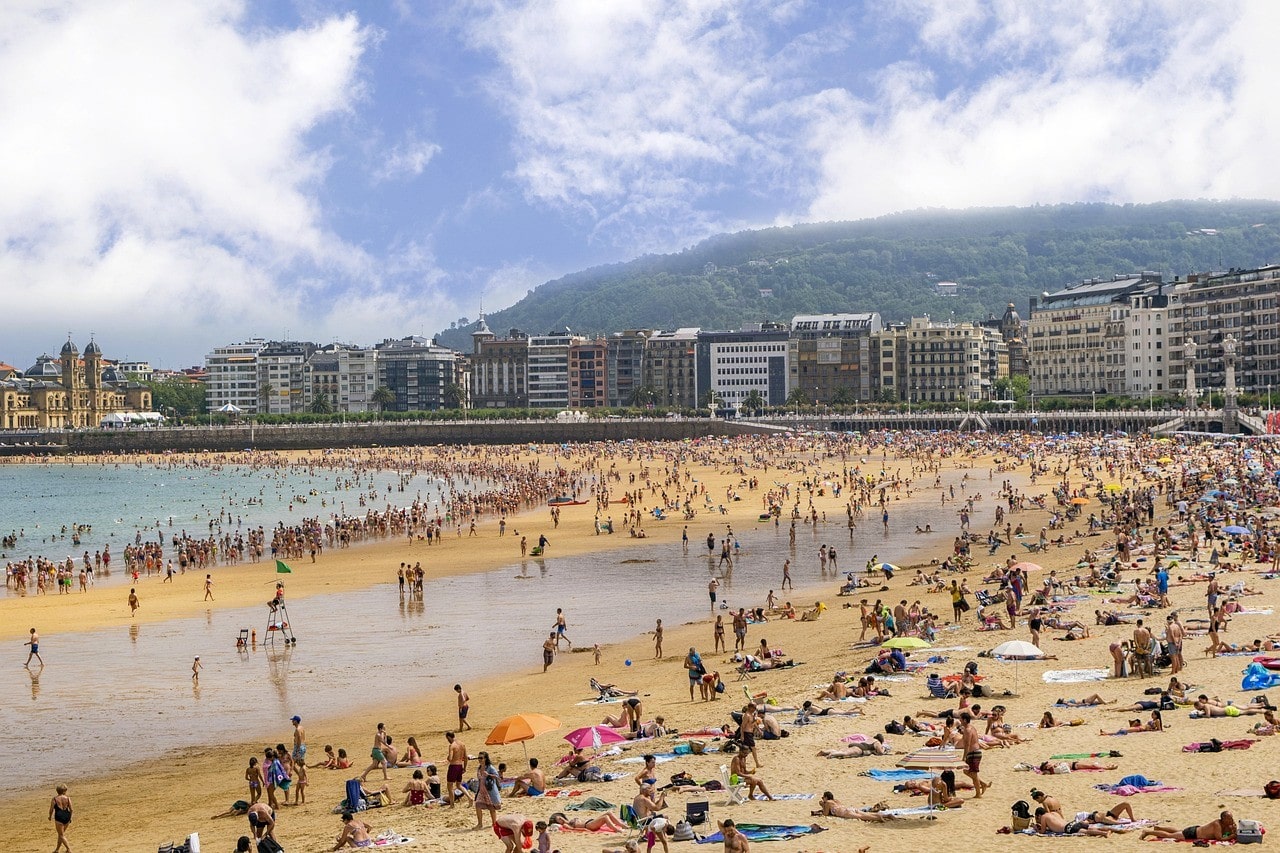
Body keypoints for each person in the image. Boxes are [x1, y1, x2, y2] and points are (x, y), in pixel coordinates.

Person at [1141, 811, 1236, 842]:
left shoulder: (1225, 823)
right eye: (1229, 818)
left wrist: (1232, 829)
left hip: (1196, 829)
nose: (1231, 820)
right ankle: (1148, 832)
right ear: (1223, 819)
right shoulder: (1217, 824)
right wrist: (1231, 836)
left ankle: (1159, 828)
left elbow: (1228, 831)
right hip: (1193, 833)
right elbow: (1219, 838)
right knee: (1170, 836)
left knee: (1179, 831)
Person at [959, 712, 988, 798]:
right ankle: (983, 783)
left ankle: (978, 794)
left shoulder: (968, 730)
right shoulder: (970, 728)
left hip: (973, 753)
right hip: (974, 752)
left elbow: (967, 744)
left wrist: (964, 757)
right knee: (966, 771)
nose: (959, 720)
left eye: (960, 719)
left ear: (964, 720)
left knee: (973, 774)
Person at [813, 791, 897, 821]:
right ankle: (887, 816)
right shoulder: (836, 801)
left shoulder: (827, 803)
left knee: (861, 817)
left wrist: (822, 805)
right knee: (866, 814)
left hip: (844, 812)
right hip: (849, 808)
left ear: (826, 797)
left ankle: (878, 818)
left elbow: (825, 814)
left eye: (823, 797)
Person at [1036, 807, 1112, 837]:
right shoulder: (1054, 813)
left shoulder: (1043, 817)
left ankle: (1104, 833)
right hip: (1072, 823)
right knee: (1089, 828)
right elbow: (1056, 823)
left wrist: (1036, 828)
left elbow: (1042, 831)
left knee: (1087, 831)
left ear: (1039, 815)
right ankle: (1105, 829)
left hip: (1068, 828)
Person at [473, 751, 501, 829]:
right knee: (477, 805)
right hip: (481, 791)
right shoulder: (479, 768)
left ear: (485, 758)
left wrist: (488, 774)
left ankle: (494, 823)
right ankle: (480, 824)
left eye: (481, 758)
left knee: (491, 807)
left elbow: (497, 776)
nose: (480, 759)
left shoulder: (490, 767)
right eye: (479, 758)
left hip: (489, 790)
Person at [444, 731, 468, 807]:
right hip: (460, 765)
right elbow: (466, 757)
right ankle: (470, 797)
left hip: (453, 766)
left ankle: (452, 804)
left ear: (449, 737)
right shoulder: (462, 744)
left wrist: (448, 757)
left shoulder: (452, 746)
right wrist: (465, 767)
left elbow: (450, 758)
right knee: (459, 785)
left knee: (450, 786)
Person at [548, 810, 628, 831]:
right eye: (558, 819)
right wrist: (584, 829)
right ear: (557, 822)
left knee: (609, 813)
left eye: (560, 817)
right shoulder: (565, 825)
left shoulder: (568, 820)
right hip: (589, 825)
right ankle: (617, 830)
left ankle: (623, 826)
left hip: (590, 821)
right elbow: (573, 829)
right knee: (605, 817)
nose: (560, 818)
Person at [49, 784, 72, 853]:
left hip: (59, 817)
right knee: (60, 834)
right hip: (67, 816)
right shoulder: (68, 798)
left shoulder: (55, 799)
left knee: (61, 835)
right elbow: (71, 809)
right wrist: (70, 817)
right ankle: (57, 850)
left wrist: (50, 816)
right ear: (64, 791)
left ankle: (68, 849)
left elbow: (51, 809)